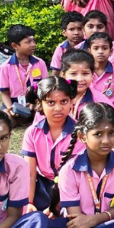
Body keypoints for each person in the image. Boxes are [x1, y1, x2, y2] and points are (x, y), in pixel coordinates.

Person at [22, 76, 79, 212]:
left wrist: (56, 205)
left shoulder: (80, 133)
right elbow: (30, 173)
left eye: (64, 101)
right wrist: (29, 202)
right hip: (42, 186)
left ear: (71, 102)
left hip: (72, 187)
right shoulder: (32, 132)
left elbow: (77, 175)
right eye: (51, 102)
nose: (58, 108)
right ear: (40, 104)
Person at [0, 24, 48, 124]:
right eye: (28, 42)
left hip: (35, 102)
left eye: (33, 41)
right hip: (14, 104)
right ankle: (19, 119)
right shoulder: (5, 67)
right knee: (6, 120)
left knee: (45, 114)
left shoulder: (40, 63)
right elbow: (5, 93)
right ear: (15, 46)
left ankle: (31, 118)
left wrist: (36, 103)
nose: (33, 44)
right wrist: (10, 108)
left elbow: (45, 89)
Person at [86, 32, 114, 115]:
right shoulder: (85, 72)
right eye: (96, 48)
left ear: (111, 51)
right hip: (90, 113)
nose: (100, 52)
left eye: (104, 48)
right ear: (89, 51)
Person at [60, 50, 96, 118]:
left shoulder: (99, 101)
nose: (79, 79)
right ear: (63, 75)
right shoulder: (53, 98)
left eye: (85, 73)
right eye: (73, 74)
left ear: (92, 74)